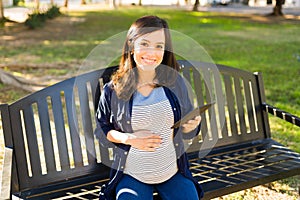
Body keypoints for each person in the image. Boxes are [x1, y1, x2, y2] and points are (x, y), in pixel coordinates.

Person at [95, 15, 203, 200]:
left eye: (159, 46)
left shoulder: (175, 83)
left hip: (171, 172)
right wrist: (129, 138)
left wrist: (190, 126)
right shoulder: (113, 90)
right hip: (132, 174)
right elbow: (102, 129)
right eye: (144, 44)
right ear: (131, 46)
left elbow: (187, 130)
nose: (151, 52)